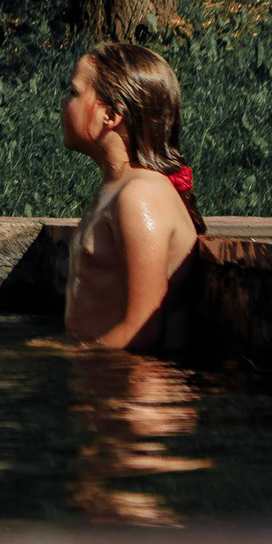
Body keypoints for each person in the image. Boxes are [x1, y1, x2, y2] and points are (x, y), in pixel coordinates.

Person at [59, 41, 206, 348]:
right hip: (105, 381)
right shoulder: (116, 190)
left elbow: (141, 331)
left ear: (110, 115)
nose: (63, 103)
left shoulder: (139, 197)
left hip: (134, 391)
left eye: (73, 93)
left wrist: (62, 358)